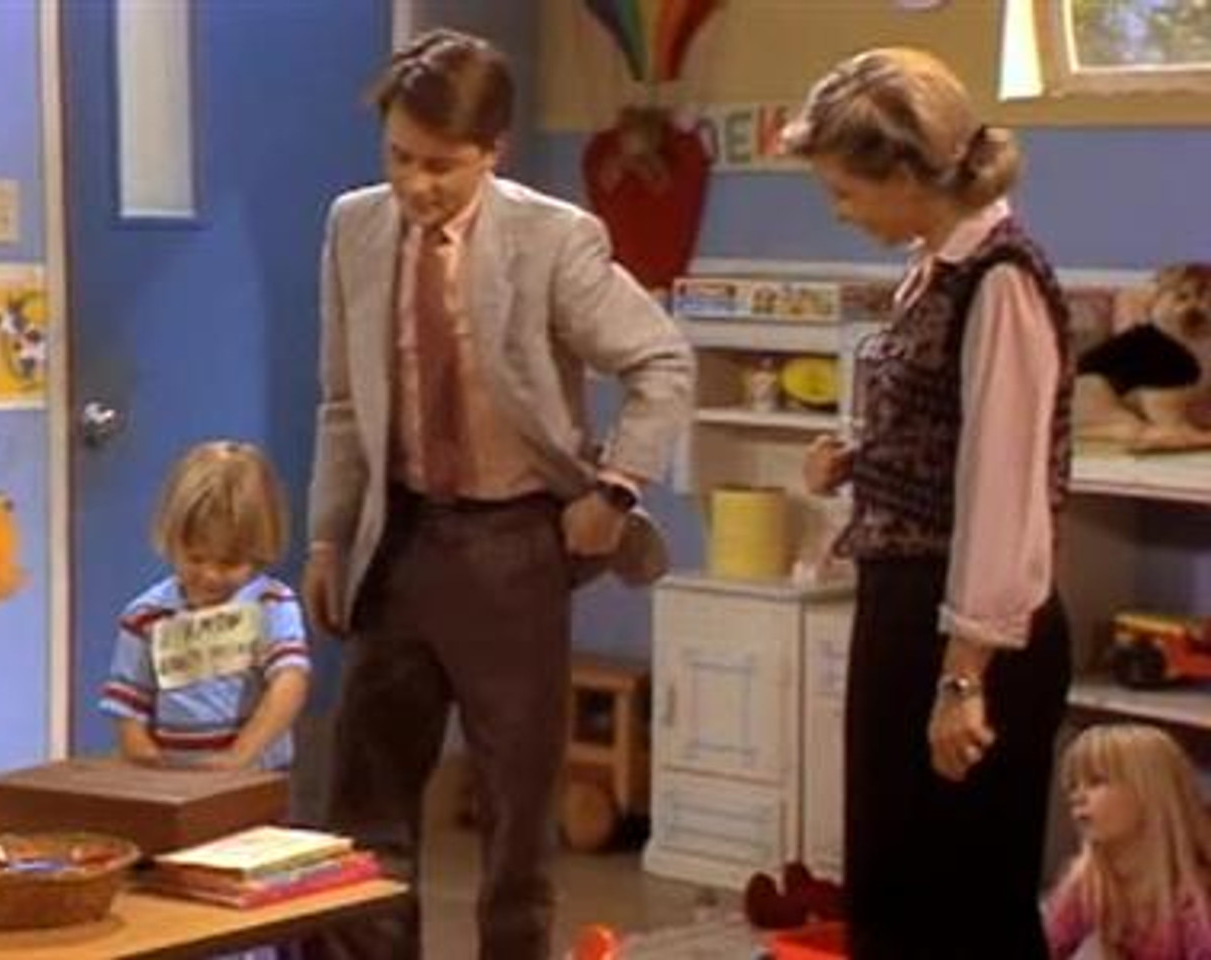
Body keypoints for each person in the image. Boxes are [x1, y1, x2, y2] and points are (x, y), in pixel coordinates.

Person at [301, 27, 692, 960]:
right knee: (368, 808)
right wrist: (327, 539)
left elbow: (662, 361)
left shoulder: (552, 239)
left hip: (515, 544)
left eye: (441, 165)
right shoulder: (354, 227)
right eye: (400, 156)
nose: (416, 183)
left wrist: (615, 490)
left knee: (517, 818)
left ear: (493, 152)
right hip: (397, 538)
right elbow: (344, 404)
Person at [785, 48, 1074, 958]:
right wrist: (861, 461)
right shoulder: (936, 268)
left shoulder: (1000, 280)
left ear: (907, 174)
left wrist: (963, 679)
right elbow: (944, 437)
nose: (841, 211)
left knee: (959, 903)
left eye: (847, 191)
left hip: (968, 626)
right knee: (893, 887)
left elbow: (1002, 489)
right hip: (907, 605)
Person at [99, 440, 310, 772]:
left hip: (255, 775)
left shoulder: (270, 605)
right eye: (196, 558)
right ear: (173, 542)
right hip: (173, 781)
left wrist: (237, 758)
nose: (210, 575)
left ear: (258, 552)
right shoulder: (146, 615)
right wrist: (146, 761)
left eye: (229, 563)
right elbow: (127, 705)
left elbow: (289, 683)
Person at [1044, 723, 1211, 960]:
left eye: (1096, 781)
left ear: (1150, 793)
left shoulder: (1195, 899)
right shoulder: (1089, 880)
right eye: (1073, 786)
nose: (1077, 797)